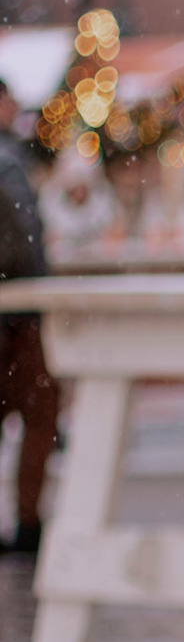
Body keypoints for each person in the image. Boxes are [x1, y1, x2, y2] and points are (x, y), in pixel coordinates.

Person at [0, 88, 58, 559]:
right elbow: (24, 242)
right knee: (40, 415)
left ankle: (26, 522)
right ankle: (27, 521)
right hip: (16, 314)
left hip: (13, 309)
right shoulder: (8, 161)